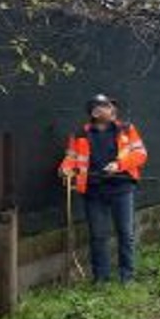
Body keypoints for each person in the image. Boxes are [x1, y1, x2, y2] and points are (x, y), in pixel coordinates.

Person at [58, 94, 148, 283]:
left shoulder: (126, 129)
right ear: (96, 112)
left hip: (122, 188)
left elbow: (140, 154)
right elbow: (71, 158)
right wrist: (65, 169)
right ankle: (101, 278)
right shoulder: (80, 134)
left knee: (126, 234)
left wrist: (119, 165)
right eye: (108, 106)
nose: (113, 110)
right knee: (98, 236)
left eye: (112, 106)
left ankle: (127, 277)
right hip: (93, 191)